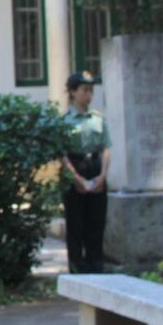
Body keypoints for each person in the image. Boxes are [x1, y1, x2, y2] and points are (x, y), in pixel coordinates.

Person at [60, 71, 111, 274]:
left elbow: (106, 148)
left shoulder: (98, 119)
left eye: (91, 90)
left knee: (96, 222)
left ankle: (95, 267)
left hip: (95, 167)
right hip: (75, 167)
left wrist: (103, 175)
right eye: (84, 90)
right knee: (76, 224)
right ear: (73, 92)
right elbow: (62, 153)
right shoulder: (64, 121)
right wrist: (75, 177)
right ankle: (77, 269)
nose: (89, 95)